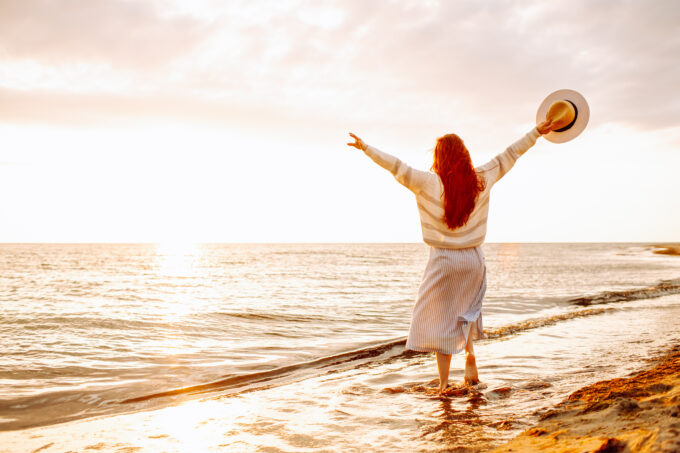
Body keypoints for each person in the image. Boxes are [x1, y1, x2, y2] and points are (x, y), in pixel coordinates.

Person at [347, 119, 555, 393]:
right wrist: (537, 131)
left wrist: (366, 148)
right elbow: (510, 154)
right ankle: (469, 354)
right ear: (464, 155)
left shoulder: (427, 183)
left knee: (440, 320)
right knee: (467, 310)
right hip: (472, 260)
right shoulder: (481, 178)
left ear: (439, 158)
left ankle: (445, 384)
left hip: (443, 261)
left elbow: (396, 166)